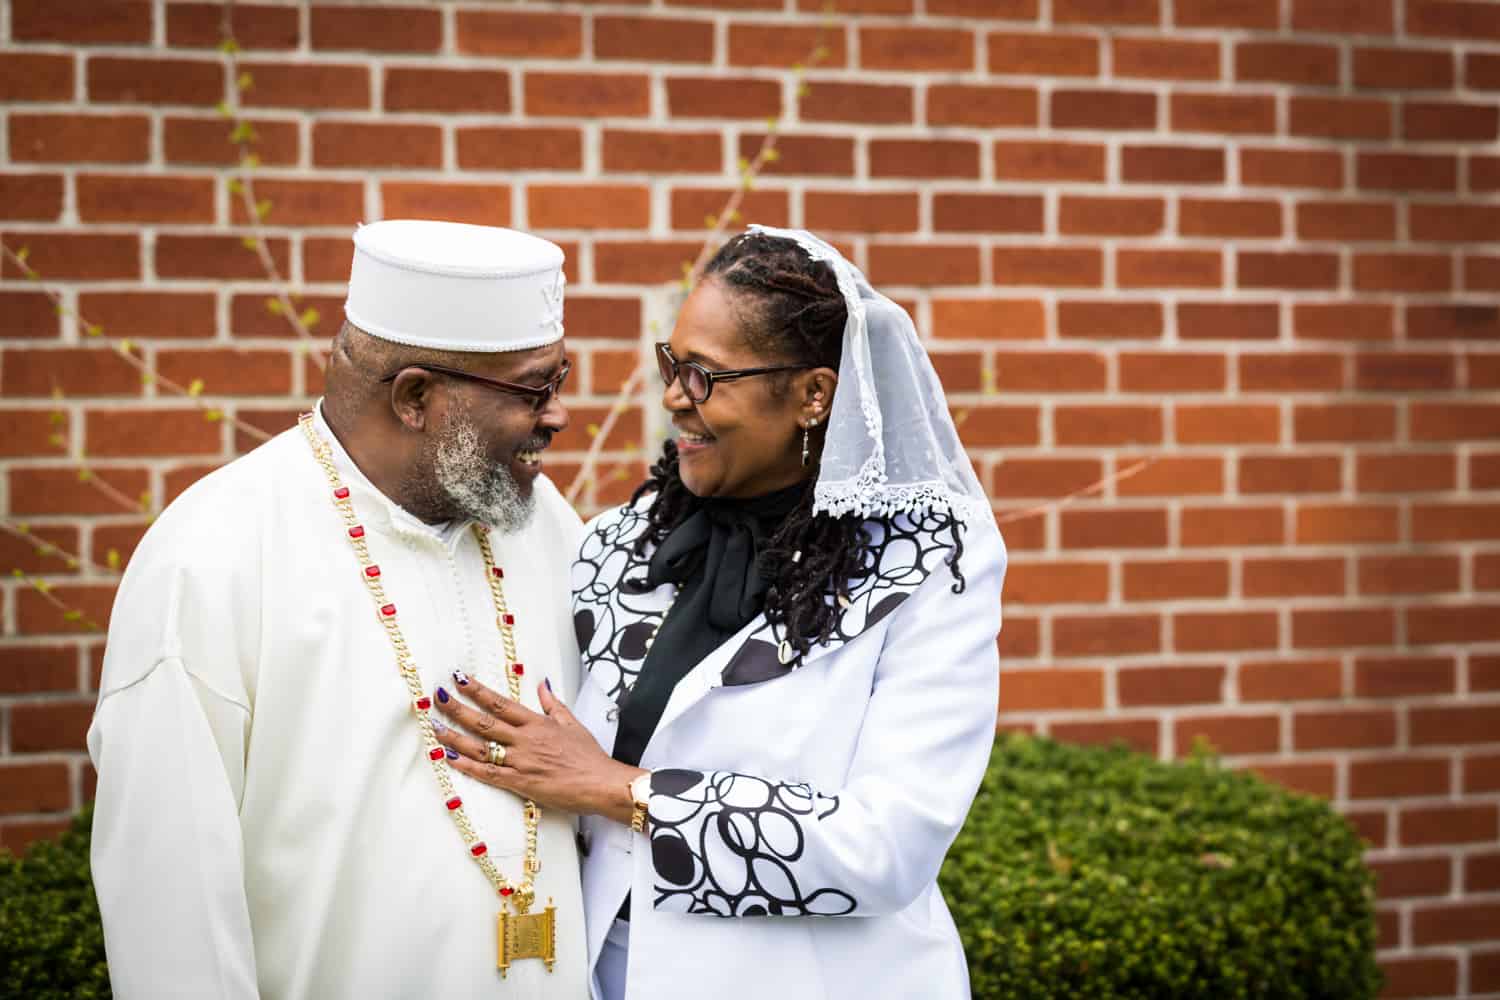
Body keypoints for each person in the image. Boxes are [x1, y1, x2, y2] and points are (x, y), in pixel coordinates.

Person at [430, 226, 1007, 999]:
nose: (674, 397)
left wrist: (618, 789)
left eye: (705, 376)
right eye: (673, 365)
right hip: (608, 973)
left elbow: (887, 848)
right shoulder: (619, 543)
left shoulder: (930, 569)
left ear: (813, 394)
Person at [87, 220, 590, 999]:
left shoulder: (544, 522)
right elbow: (170, 912)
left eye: (559, 381)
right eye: (535, 389)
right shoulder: (213, 555)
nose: (559, 416)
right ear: (417, 397)